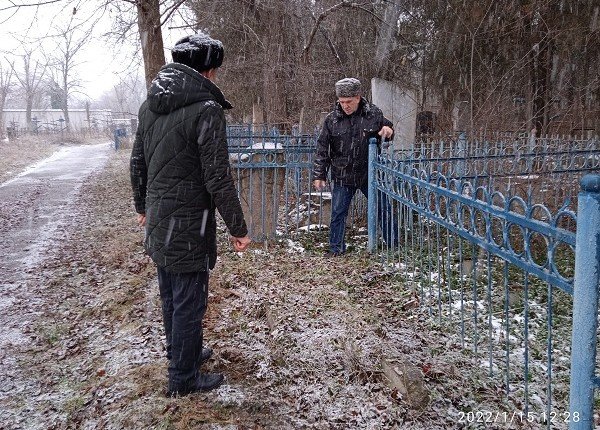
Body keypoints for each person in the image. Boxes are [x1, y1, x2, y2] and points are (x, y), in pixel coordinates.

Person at [130, 33, 251, 396]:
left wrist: (141, 207)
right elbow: (217, 176)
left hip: (160, 219)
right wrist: (238, 228)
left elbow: (137, 162)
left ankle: (184, 353)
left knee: (172, 294)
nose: (215, 76)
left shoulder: (150, 106)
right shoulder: (206, 109)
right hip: (188, 224)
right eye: (215, 70)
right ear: (208, 70)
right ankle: (183, 377)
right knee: (189, 300)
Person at [312, 77, 396, 256]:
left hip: (369, 173)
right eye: (341, 102)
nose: (345, 105)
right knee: (338, 214)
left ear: (358, 97)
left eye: (349, 101)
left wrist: (388, 131)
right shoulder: (332, 120)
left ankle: (393, 245)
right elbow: (322, 148)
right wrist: (319, 174)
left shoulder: (373, 114)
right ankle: (336, 249)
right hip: (343, 174)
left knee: (384, 208)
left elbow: (387, 127)